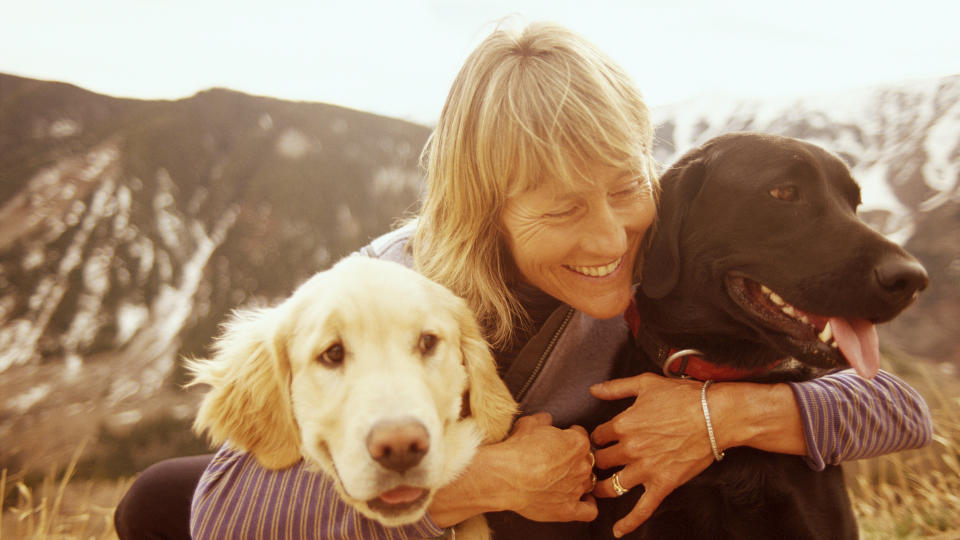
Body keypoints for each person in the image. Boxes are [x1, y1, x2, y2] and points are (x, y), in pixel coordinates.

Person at [114, 21, 932, 540]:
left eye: (624, 188)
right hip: (457, 510)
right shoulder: (400, 287)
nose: (610, 238)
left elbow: (895, 407)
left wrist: (721, 415)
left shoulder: (671, 262)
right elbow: (227, 508)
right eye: (562, 209)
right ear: (488, 210)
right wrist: (476, 480)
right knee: (159, 502)